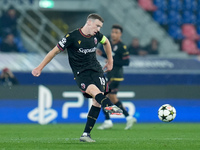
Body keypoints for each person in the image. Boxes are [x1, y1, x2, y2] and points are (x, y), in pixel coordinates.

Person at [32, 14, 122, 143]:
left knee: (97, 100)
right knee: (93, 91)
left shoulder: (96, 35)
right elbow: (54, 51)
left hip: (96, 70)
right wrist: (39, 67)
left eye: (100, 27)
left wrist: (110, 61)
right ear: (89, 22)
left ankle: (86, 134)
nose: (98, 29)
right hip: (81, 73)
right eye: (97, 26)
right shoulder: (72, 37)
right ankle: (109, 106)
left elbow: (106, 42)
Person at [96, 24, 137, 130]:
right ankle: (128, 117)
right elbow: (108, 55)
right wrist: (103, 55)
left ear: (120, 34)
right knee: (113, 98)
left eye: (116, 33)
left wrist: (111, 60)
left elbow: (126, 62)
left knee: (102, 95)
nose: (113, 34)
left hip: (116, 76)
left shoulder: (122, 46)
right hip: (110, 74)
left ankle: (108, 120)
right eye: (113, 32)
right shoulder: (108, 43)